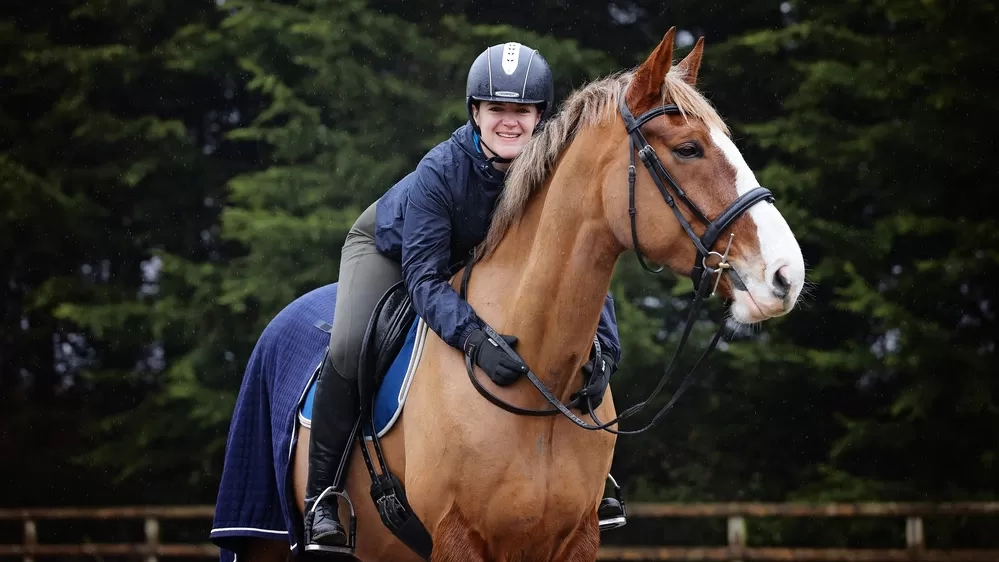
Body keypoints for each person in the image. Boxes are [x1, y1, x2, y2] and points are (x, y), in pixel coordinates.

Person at [302, 41, 623, 555]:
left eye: (522, 110)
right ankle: (322, 495)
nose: (510, 122)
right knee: (348, 345)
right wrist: (474, 338)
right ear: (476, 112)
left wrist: (606, 346)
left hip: (479, 261)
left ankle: (592, 481)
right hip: (394, 248)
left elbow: (575, 270)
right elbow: (425, 279)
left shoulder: (552, 175)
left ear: (541, 116)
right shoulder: (440, 172)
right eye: (497, 109)